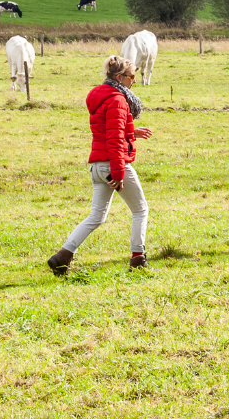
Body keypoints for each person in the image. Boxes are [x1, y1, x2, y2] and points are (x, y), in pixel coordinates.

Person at [48, 54, 153, 273]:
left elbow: (107, 128)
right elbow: (114, 140)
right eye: (131, 76)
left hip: (97, 165)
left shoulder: (101, 96)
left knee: (96, 217)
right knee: (140, 210)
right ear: (119, 77)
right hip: (113, 165)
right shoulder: (118, 100)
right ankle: (137, 259)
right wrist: (118, 173)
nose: (134, 81)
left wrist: (132, 130)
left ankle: (62, 256)